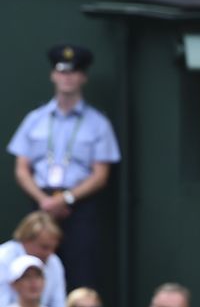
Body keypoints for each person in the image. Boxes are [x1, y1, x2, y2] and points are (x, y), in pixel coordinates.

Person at [7, 44, 120, 292]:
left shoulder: (97, 123)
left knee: (81, 273)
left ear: (83, 77)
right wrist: (43, 200)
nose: (67, 78)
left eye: (73, 72)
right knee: (33, 269)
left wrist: (65, 199)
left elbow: (100, 175)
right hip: (41, 205)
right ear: (53, 75)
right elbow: (21, 168)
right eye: (62, 71)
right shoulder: (35, 119)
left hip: (77, 208)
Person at [0, 212, 66, 307]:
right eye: (44, 247)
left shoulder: (54, 261)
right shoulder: (3, 258)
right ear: (26, 240)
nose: (49, 253)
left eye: (54, 248)